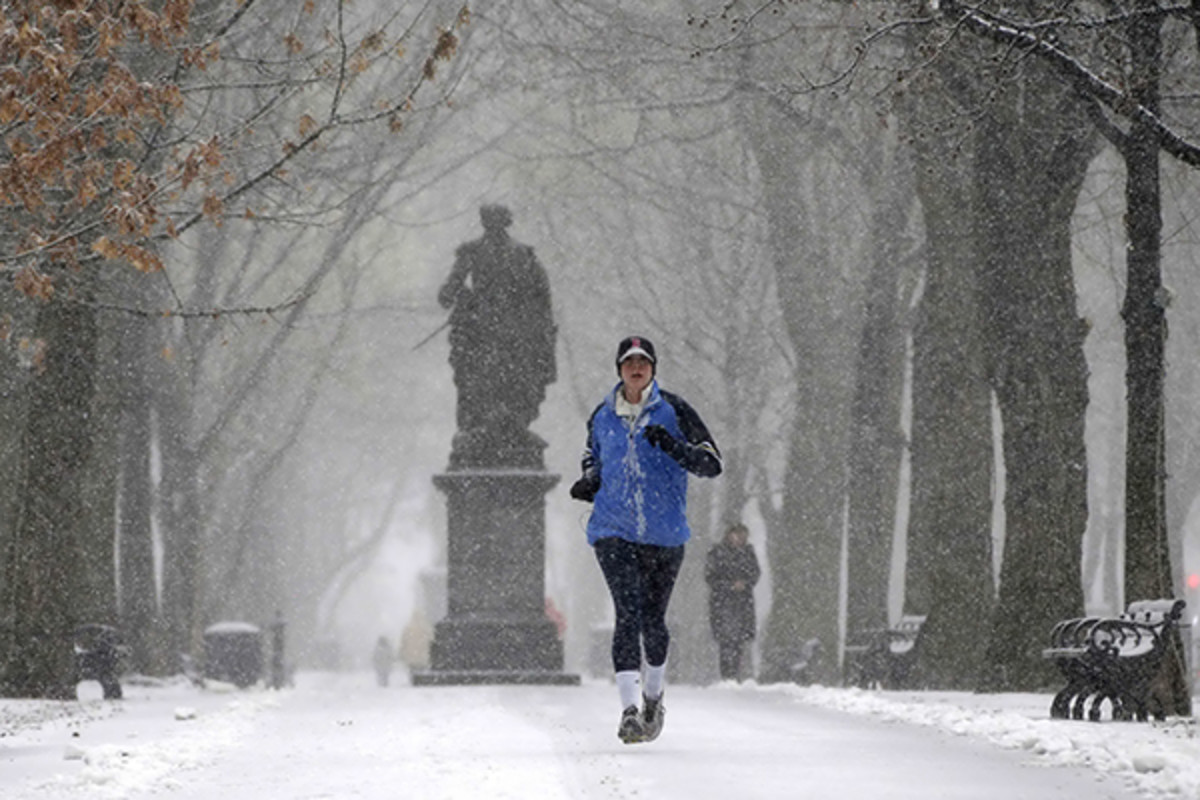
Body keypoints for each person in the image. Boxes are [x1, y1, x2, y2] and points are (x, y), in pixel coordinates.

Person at [569, 335, 722, 744]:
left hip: (664, 532)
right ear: (619, 369)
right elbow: (593, 455)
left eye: (643, 362)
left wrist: (675, 447)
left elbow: (712, 463)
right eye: (628, 362)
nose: (636, 368)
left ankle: (653, 698)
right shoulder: (602, 414)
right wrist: (590, 481)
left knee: (653, 621)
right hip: (613, 531)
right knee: (628, 613)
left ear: (653, 368)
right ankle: (629, 712)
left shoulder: (675, 410)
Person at [437, 204, 556, 468]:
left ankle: (498, 427)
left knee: (498, 384)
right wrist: (462, 297)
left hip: (500, 336)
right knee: (487, 384)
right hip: (495, 335)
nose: (492, 225)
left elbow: (541, 300)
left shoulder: (517, 255)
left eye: (495, 220)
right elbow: (447, 294)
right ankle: (493, 428)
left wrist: (463, 298)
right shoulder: (510, 255)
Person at [705, 523, 761, 682]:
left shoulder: (748, 552)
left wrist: (745, 583)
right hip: (722, 602)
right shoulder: (717, 552)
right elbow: (710, 576)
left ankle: (735, 674)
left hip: (743, 602)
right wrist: (729, 586)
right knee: (725, 639)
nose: (740, 539)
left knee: (739, 641)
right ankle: (726, 675)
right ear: (729, 534)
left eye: (743, 536)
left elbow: (755, 573)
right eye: (737, 535)